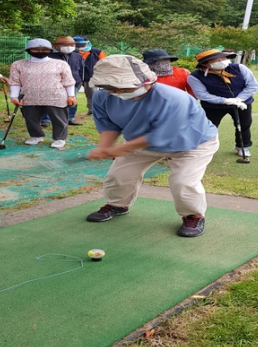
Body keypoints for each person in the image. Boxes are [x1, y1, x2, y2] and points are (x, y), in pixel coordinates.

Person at [85, 55, 219, 238]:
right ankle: (118, 205)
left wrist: (120, 149)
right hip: (140, 141)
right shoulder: (103, 97)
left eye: (124, 86)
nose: (117, 91)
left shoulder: (174, 98)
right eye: (111, 87)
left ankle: (193, 215)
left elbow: (162, 134)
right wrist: (104, 147)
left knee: (183, 182)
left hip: (193, 143)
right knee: (119, 175)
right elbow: (109, 125)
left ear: (147, 80)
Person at [187, 49, 258, 158]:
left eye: (224, 58)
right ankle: (203, 148)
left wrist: (239, 99)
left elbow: (252, 85)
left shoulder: (239, 68)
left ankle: (242, 147)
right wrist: (225, 100)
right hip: (213, 106)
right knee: (208, 127)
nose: (223, 61)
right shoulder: (195, 77)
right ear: (205, 63)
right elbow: (202, 95)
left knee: (244, 124)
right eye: (218, 60)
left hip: (242, 103)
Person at [8, 38, 77, 149]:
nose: (40, 51)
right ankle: (36, 136)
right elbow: (15, 81)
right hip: (29, 96)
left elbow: (68, 81)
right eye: (36, 49)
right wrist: (14, 96)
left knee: (59, 119)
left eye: (44, 49)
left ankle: (59, 138)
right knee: (31, 118)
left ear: (50, 50)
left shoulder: (60, 64)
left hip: (56, 96)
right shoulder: (18, 64)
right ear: (29, 50)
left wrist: (71, 95)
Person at [40, 36, 84, 127]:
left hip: (73, 83)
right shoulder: (50, 56)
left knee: (72, 101)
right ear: (57, 46)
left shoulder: (78, 56)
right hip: (53, 83)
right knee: (49, 101)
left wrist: (79, 81)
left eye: (71, 44)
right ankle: (45, 119)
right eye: (65, 44)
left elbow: (81, 69)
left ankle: (69, 118)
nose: (68, 46)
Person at [73, 36, 106, 115]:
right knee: (72, 95)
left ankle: (93, 110)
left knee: (92, 95)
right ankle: (70, 112)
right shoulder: (71, 53)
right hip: (75, 77)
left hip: (91, 77)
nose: (79, 47)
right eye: (76, 45)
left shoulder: (97, 52)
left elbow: (105, 63)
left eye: (81, 45)